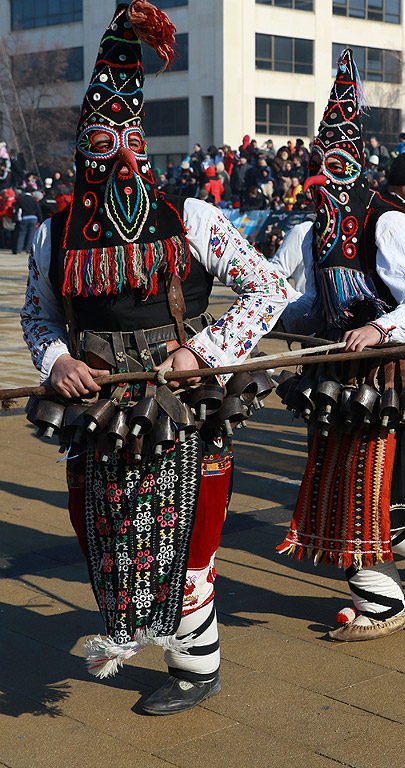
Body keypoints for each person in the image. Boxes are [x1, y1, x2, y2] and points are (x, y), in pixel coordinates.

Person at [19, 1, 291, 714]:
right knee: (107, 539)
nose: (120, 160)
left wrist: (203, 350)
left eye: (128, 141)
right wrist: (56, 363)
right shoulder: (53, 236)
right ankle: (145, 631)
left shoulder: (192, 218)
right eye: (103, 144)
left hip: (186, 409)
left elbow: (271, 288)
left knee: (191, 549)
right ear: (83, 149)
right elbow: (36, 317)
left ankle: (197, 669)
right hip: (98, 414)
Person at [274, 49, 405, 640]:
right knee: (340, 494)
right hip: (335, 378)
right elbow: (316, 303)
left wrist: (379, 328)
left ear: (355, 164)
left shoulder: (388, 220)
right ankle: (381, 605)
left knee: (383, 497)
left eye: (338, 161)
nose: (326, 174)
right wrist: (270, 321)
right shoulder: (313, 231)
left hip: (386, 379)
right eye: (320, 161)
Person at [13, 186, 41, 254]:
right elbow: (38, 210)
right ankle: (28, 250)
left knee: (22, 234)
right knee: (31, 234)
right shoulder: (34, 199)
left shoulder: (21, 199)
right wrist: (41, 219)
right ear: (31, 192)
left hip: (24, 218)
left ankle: (18, 249)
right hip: (33, 218)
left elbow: (17, 210)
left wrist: (15, 219)